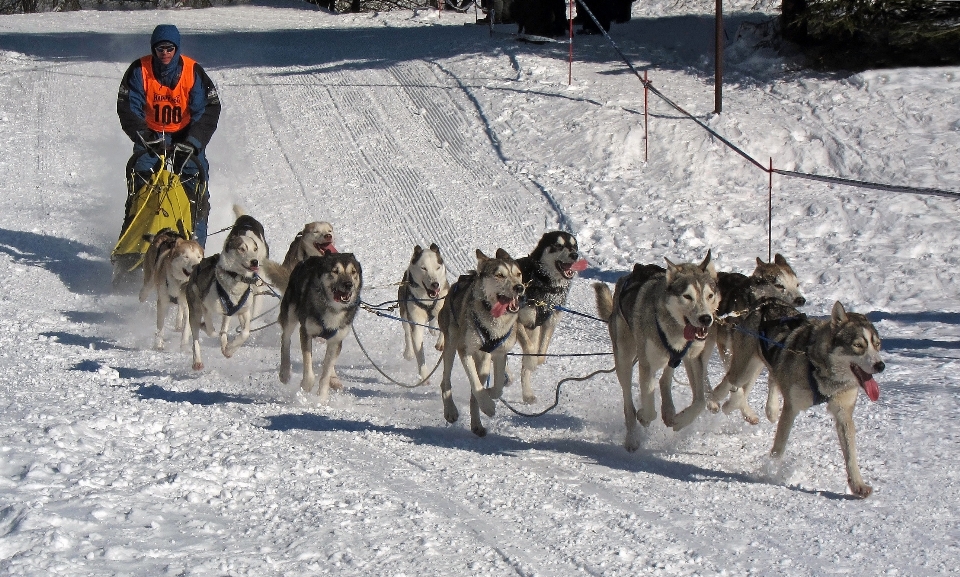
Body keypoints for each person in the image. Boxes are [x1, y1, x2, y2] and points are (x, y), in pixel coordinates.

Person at [117, 23, 221, 249]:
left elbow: (209, 110)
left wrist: (193, 143)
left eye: (169, 49)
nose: (165, 54)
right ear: (153, 49)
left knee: (195, 190)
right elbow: (127, 107)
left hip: (186, 136)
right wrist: (144, 135)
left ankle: (195, 247)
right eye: (160, 49)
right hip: (151, 135)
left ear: (176, 49)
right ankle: (133, 244)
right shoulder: (139, 70)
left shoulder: (192, 72)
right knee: (141, 187)